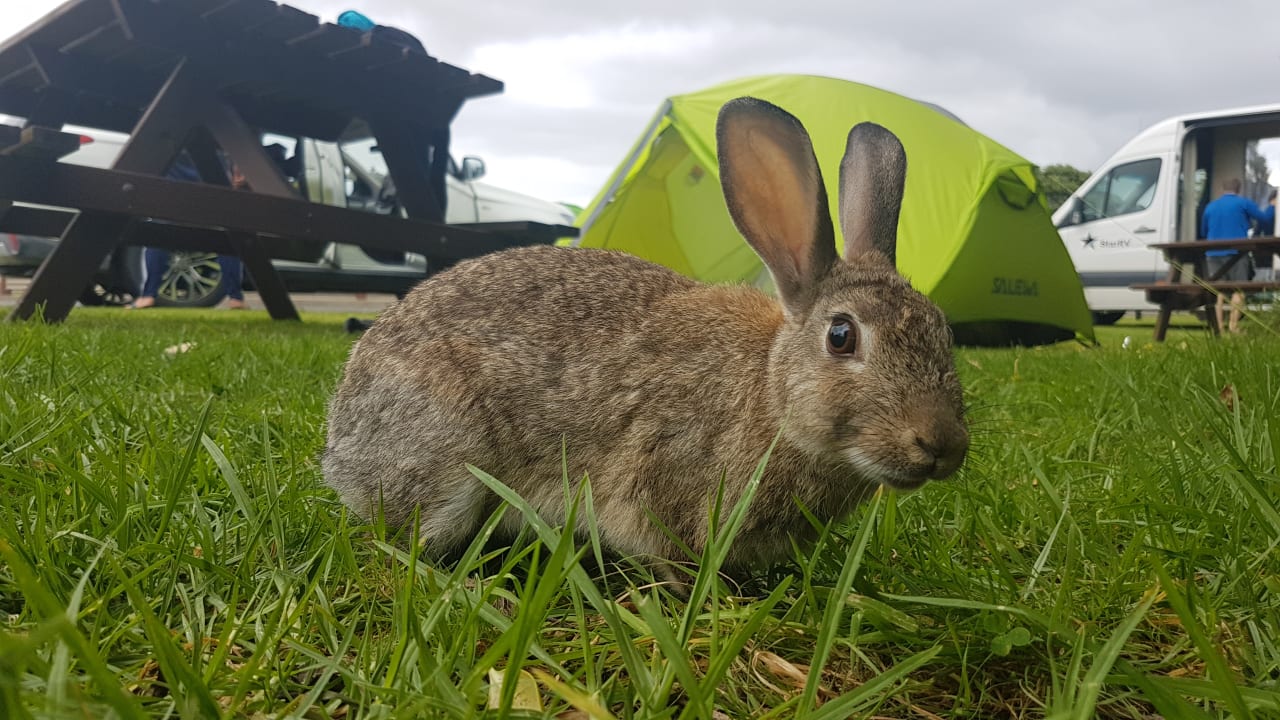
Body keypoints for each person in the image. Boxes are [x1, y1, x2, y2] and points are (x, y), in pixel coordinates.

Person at [130, 154, 247, 310]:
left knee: (158, 235)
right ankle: (236, 298)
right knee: (226, 237)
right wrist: (237, 170)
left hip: (174, 191)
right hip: (212, 189)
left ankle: (148, 295)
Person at [1200, 177, 1269, 333]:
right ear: (1239, 189)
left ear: (1222, 189)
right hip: (1237, 253)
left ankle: (1218, 326)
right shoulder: (1243, 203)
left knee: (1219, 291)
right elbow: (1264, 219)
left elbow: (1203, 231)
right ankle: (1233, 325)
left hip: (1213, 253)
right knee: (1239, 289)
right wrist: (1253, 229)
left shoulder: (1210, 207)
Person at [1254, 188, 1276, 282]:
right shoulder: (1272, 211)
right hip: (1273, 245)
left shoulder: (1266, 212)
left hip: (1267, 245)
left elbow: (1257, 232)